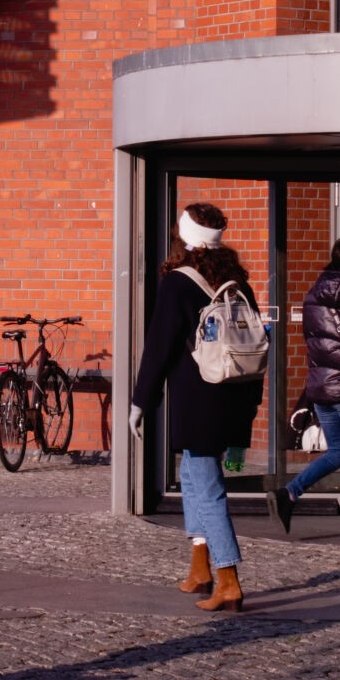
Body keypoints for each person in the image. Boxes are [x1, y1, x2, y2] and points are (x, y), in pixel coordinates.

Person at [129, 203, 264, 613]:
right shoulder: (236, 281)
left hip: (199, 397)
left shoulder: (177, 284)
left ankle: (227, 579)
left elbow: (159, 349)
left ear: (184, 237)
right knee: (191, 474)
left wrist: (141, 401)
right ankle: (200, 566)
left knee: (206, 485)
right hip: (235, 394)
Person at [267, 236, 340, 541]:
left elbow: (319, 345)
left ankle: (289, 493)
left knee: (338, 453)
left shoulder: (313, 294)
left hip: (319, 389)